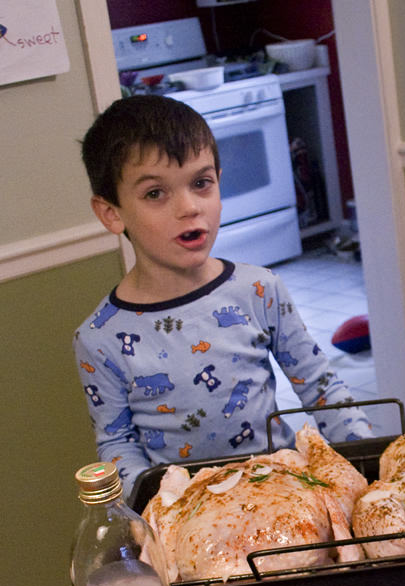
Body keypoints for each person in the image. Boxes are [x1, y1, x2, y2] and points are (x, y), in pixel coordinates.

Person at [73, 94, 373, 499]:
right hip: (185, 515)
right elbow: (117, 446)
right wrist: (163, 508)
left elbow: (321, 387)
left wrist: (366, 466)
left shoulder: (259, 290)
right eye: (155, 194)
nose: (189, 207)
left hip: (283, 493)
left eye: (201, 183)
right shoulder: (99, 338)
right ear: (112, 213)